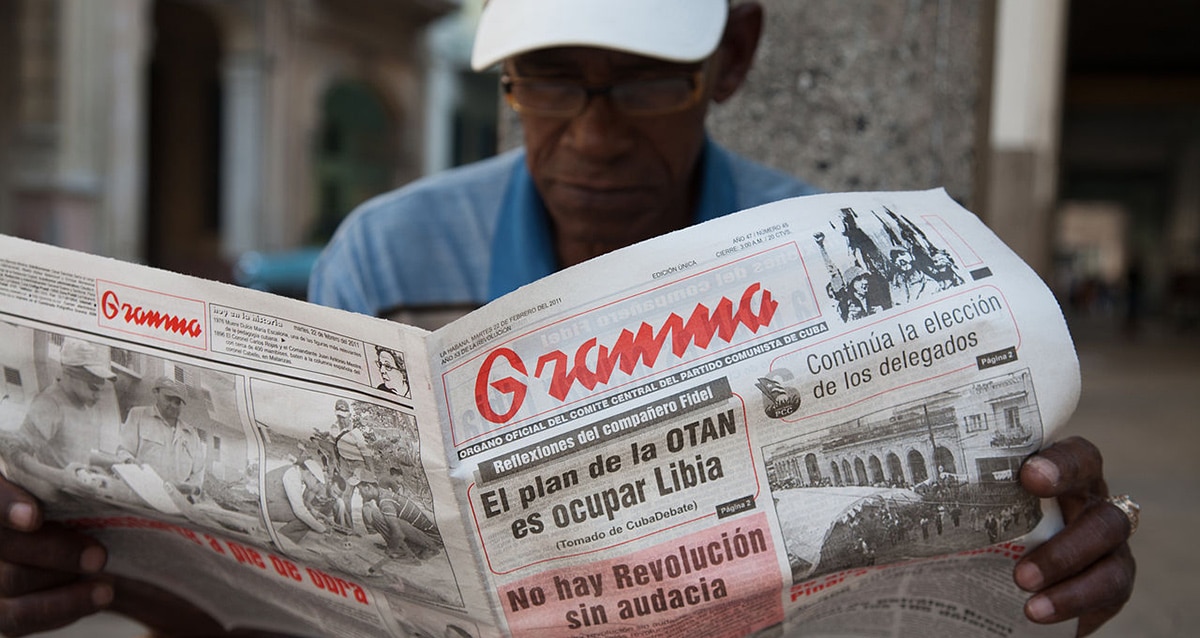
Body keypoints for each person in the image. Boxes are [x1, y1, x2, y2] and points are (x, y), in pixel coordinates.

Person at [0, 2, 1136, 636]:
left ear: (730, 56)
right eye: (547, 81)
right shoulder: (387, 255)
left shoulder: (844, 263)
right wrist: (87, 557)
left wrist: (1044, 564)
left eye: (644, 84)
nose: (592, 138)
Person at [17, 338, 116, 470]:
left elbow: (77, 454)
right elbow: (18, 455)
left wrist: (115, 461)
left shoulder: (82, 405)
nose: (98, 397)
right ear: (70, 375)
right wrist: (62, 479)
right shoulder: (49, 404)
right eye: (93, 388)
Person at [116, 377, 206, 495]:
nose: (173, 405)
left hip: (176, 499)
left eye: (177, 402)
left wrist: (192, 491)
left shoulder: (191, 434)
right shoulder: (138, 416)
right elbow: (123, 451)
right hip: (141, 491)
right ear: (156, 392)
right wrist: (130, 463)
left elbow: (198, 473)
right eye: (168, 399)